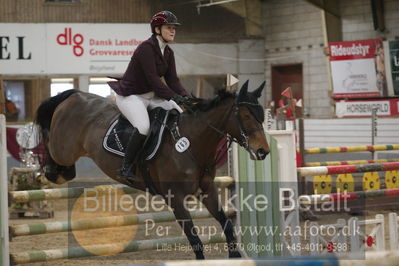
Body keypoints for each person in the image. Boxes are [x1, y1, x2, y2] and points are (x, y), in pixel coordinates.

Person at [108, 11, 190, 178]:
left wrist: (187, 97)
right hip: (131, 96)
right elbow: (154, 80)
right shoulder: (146, 48)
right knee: (143, 127)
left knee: (181, 114)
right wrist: (173, 96)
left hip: (152, 96)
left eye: (174, 28)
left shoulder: (168, 53)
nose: (173, 31)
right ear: (157, 29)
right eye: (169, 27)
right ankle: (126, 167)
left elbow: (173, 81)